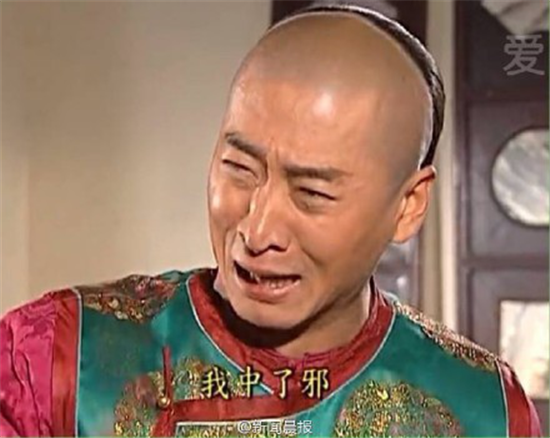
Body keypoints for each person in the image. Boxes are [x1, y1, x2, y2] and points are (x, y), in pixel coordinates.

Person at [0, 4, 541, 437]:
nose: (257, 232)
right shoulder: (56, 361)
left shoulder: (484, 410)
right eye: (239, 168)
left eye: (312, 193)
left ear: (409, 206)